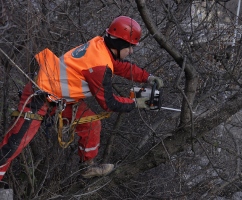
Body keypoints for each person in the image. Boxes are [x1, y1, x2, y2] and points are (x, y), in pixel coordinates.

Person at [0, 16, 163, 180]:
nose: (132, 51)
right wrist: (135, 103)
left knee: (91, 123)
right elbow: (109, 103)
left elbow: (121, 67)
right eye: (130, 46)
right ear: (119, 43)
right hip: (39, 97)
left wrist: (147, 77)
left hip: (60, 100)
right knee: (12, 146)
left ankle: (87, 167)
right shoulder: (99, 64)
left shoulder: (100, 45)